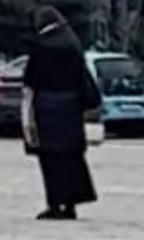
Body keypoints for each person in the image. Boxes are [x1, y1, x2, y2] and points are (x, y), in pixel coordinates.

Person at [22, 16, 97, 225]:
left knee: (50, 159)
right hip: (71, 108)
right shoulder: (73, 43)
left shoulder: (40, 46)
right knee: (72, 158)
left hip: (46, 108)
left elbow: (30, 81)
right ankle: (71, 204)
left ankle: (55, 204)